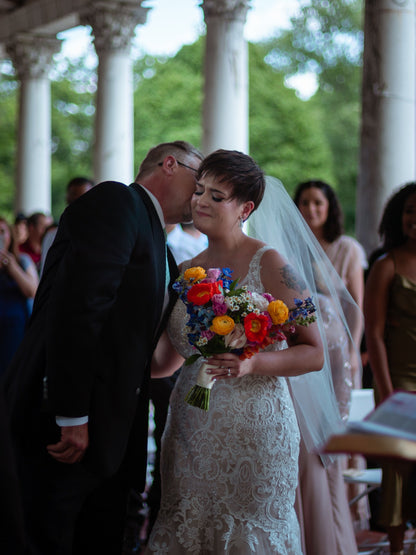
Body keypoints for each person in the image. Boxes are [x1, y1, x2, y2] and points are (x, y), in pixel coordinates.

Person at [1, 140, 203, 555]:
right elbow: (81, 309)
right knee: (51, 532)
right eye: (198, 181)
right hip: (71, 420)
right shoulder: (117, 201)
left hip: (114, 424)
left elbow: (135, 342)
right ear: (170, 164)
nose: (201, 194)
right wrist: (72, 413)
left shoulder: (162, 247)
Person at [145, 150, 343, 554]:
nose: (200, 201)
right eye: (199, 191)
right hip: (190, 427)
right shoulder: (185, 273)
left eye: (217, 196)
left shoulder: (272, 263)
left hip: (258, 431)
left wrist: (254, 362)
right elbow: (165, 362)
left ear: (245, 208)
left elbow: (314, 352)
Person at [294, 179, 368, 546]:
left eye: (318, 203)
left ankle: (345, 521)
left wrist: (354, 351)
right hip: (304, 350)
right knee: (308, 437)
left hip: (338, 351)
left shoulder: (347, 248)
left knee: (333, 434)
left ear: (330, 207)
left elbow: (355, 305)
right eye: (305, 202)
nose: (311, 209)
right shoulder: (287, 246)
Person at [364, 182, 416, 555]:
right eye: (410, 210)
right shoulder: (387, 265)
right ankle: (396, 549)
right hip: (398, 379)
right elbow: (375, 334)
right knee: (398, 472)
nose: (415, 218)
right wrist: (386, 389)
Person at [0, 217, 38, 377]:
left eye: (2, 232)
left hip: (15, 331)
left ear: (10, 235)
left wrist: (11, 266)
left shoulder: (22, 260)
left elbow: (32, 291)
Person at [39, 176, 95, 275]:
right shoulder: (53, 236)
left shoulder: (101, 235)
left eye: (85, 200)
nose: (80, 207)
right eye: (75, 201)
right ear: (68, 200)